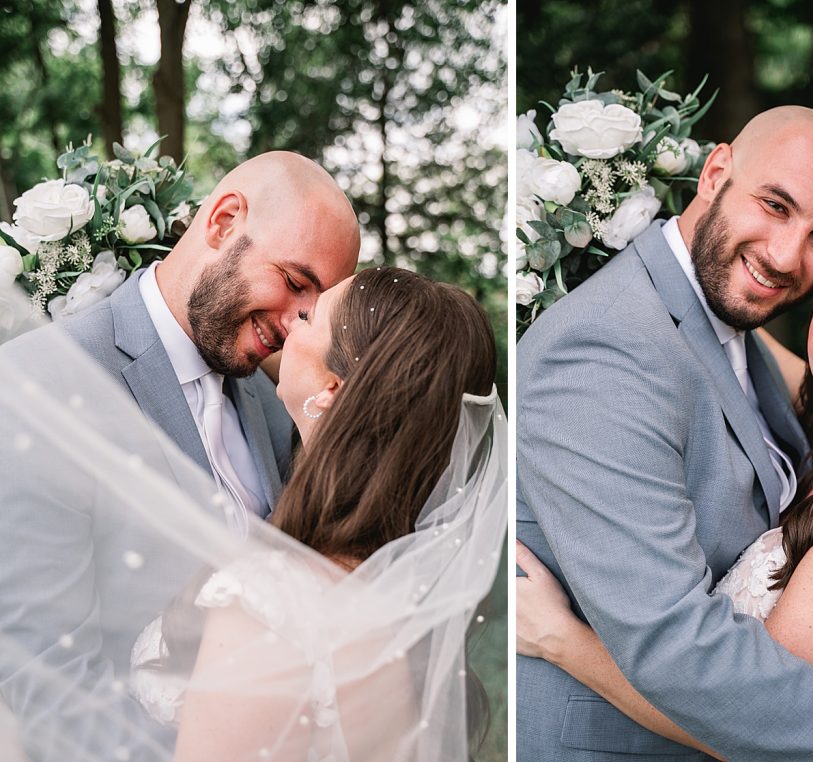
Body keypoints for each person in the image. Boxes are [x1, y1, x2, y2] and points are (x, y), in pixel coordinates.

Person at [516, 107, 813, 761]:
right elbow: (672, 641)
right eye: (775, 205)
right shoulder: (607, 346)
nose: (786, 256)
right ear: (715, 171)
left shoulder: (731, 328)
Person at [0, 266, 506, 761]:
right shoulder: (405, 598)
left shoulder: (270, 604)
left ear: (331, 390)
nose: (290, 323)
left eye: (309, 316)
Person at [0, 151, 360, 760]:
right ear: (222, 223)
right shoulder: (45, 383)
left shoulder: (275, 410)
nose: (297, 324)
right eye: (295, 283)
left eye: (313, 307)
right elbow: (45, 680)